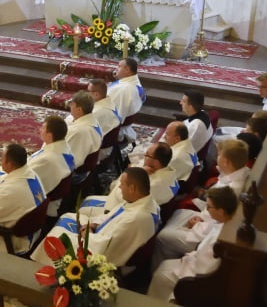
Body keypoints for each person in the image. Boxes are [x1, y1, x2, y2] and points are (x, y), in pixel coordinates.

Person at [32, 167, 160, 267]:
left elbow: (105, 248)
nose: (119, 187)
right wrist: (94, 224)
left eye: (122, 184)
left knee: (53, 240)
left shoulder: (135, 219)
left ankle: (41, 267)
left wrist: (86, 235)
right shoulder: (145, 201)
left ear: (132, 188)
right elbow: (113, 216)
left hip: (97, 248)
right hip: (101, 232)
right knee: (68, 216)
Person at [152, 139, 250, 269]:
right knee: (178, 212)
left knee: (162, 237)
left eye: (219, 155)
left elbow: (220, 221)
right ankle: (174, 257)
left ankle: (160, 269)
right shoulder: (238, 173)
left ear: (226, 162)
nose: (217, 157)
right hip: (207, 217)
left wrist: (198, 224)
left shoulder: (232, 189)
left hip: (207, 233)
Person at [0, 115, 74, 216]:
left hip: (24, 186)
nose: (40, 130)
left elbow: (24, 175)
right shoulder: (62, 147)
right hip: (24, 174)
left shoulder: (47, 160)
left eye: (43, 128)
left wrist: (3, 178)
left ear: (50, 135)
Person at [147, 186, 239, 302]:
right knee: (164, 266)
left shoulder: (220, 240)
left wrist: (189, 259)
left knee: (161, 276)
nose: (207, 209)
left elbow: (205, 267)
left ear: (221, 211)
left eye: (209, 207)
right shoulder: (224, 222)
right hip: (195, 263)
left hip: (199, 277)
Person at [79, 142, 178, 219]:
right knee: (88, 199)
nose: (144, 156)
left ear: (156, 163)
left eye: (147, 155)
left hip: (120, 209)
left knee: (82, 209)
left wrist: (135, 172)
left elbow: (122, 194)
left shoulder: (155, 185)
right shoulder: (168, 172)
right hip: (125, 203)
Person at [107, 58, 145, 142]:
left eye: (119, 66)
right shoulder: (134, 83)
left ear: (127, 70)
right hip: (125, 126)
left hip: (113, 134)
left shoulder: (122, 90)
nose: (116, 68)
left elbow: (112, 116)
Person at [63, 90, 102, 169]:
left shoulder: (78, 131)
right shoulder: (94, 121)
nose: (70, 106)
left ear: (79, 109)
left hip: (77, 174)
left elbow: (70, 161)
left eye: (72, 104)